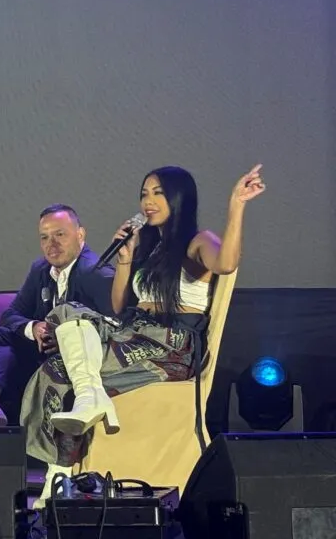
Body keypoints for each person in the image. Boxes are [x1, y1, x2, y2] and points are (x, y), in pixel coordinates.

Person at [21, 165, 266, 507]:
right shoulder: (151, 248)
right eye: (144, 194)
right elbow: (118, 306)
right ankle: (60, 469)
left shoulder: (199, 241)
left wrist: (236, 205)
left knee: (73, 374)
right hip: (133, 333)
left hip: (170, 346)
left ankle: (70, 445)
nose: (148, 201)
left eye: (158, 193)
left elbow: (226, 263)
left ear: (179, 198)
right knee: (57, 356)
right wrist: (125, 258)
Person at [0, 204, 114, 427]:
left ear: (80, 235)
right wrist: (34, 328)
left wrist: (66, 339)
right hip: (43, 355)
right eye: (44, 237)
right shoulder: (40, 269)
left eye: (60, 235)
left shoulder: (96, 273)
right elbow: (10, 315)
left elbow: (115, 326)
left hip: (81, 362)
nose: (51, 244)